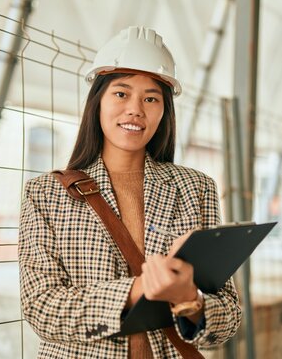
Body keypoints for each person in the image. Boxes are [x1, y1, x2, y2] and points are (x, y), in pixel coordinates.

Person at [18, 26, 242, 358]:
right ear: (97, 102)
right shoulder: (45, 194)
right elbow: (41, 309)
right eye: (121, 93)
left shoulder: (196, 188)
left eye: (151, 98)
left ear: (165, 110)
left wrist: (189, 301)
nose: (136, 109)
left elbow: (228, 318)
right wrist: (140, 289)